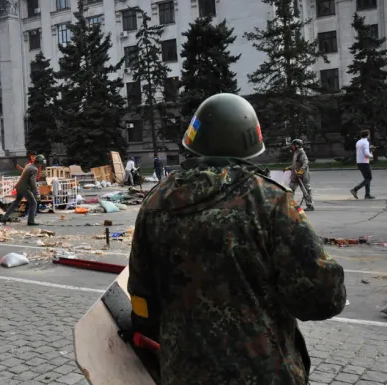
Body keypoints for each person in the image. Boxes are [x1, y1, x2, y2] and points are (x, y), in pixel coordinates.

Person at [127, 93, 346, 385]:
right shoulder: (268, 201)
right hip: (263, 373)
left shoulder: (154, 204)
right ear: (249, 146)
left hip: (182, 374)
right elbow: (322, 298)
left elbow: (142, 301)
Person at [2, 155, 46, 226]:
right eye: (41, 164)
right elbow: (32, 181)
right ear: (39, 163)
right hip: (25, 188)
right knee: (34, 202)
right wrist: (36, 192)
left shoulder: (29, 165)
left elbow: (23, 174)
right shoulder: (35, 169)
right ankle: (31, 221)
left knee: (16, 202)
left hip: (20, 186)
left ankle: (4, 218)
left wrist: (17, 185)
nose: (41, 165)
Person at [286, 139, 314, 211]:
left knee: (306, 190)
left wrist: (301, 171)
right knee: (291, 189)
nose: (292, 147)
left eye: (293, 145)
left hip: (303, 175)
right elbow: (295, 164)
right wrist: (289, 168)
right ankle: (289, 204)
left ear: (297, 145)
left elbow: (305, 162)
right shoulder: (296, 153)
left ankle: (310, 205)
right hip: (296, 174)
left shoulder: (301, 153)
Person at [351, 130, 376, 199]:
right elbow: (366, 153)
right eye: (369, 134)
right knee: (369, 178)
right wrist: (371, 155)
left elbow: (362, 151)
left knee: (366, 178)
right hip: (364, 162)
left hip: (359, 162)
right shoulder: (366, 142)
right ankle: (355, 189)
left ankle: (367, 194)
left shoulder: (358, 142)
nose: (369, 136)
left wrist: (370, 149)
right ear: (367, 135)